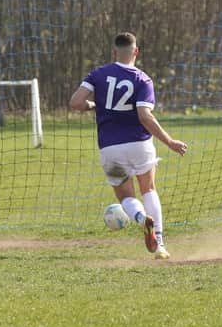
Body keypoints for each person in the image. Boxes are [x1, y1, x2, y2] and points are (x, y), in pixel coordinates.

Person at [69, 32, 187, 260]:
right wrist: (170, 142)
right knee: (149, 189)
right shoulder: (143, 80)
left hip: (110, 148)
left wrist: (94, 105)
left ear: (114, 52)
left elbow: (75, 102)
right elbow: (145, 116)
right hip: (139, 144)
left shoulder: (98, 74)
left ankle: (142, 220)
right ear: (136, 52)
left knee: (125, 197)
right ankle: (160, 245)